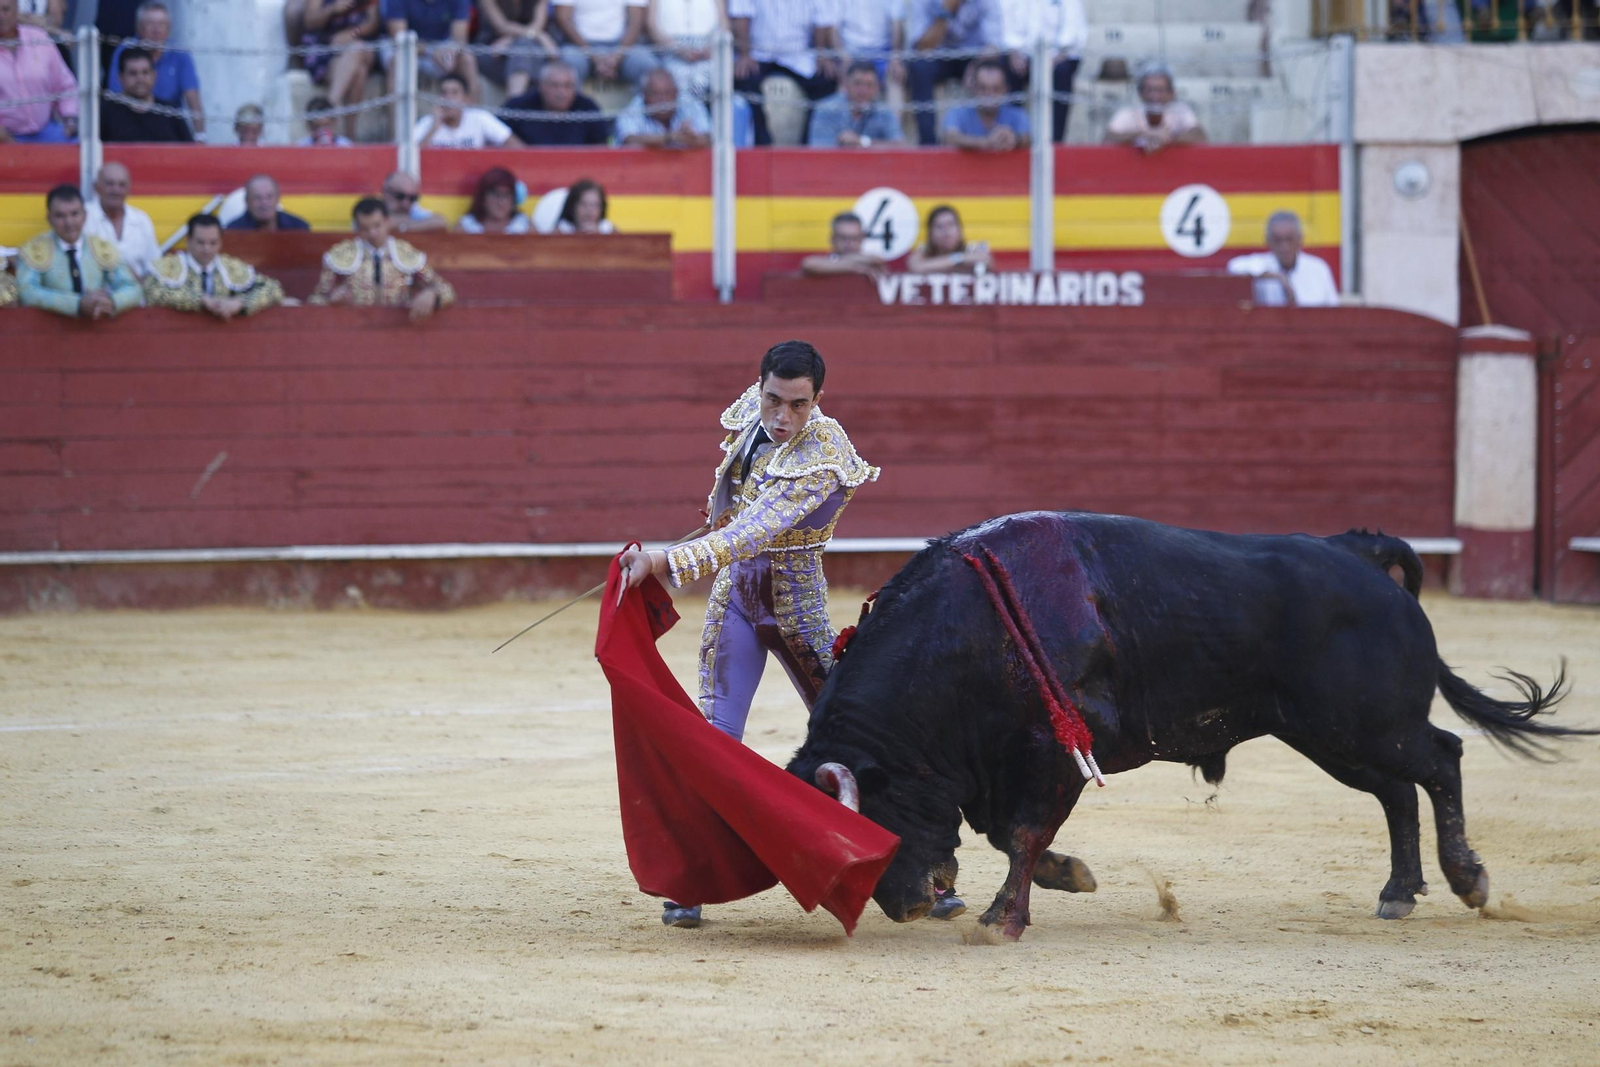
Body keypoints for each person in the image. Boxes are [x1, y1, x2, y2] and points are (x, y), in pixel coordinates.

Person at [616, 340, 879, 929]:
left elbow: (753, 533)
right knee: (715, 740)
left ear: (818, 401)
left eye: (798, 405)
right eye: (773, 400)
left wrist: (666, 559)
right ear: (759, 386)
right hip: (737, 599)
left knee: (852, 735)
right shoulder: (750, 420)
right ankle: (693, 880)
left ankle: (926, 867)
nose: (783, 417)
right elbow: (729, 515)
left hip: (796, 607)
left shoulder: (825, 453)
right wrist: (693, 536)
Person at [310, 197, 455, 320]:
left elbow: (446, 290)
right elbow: (315, 301)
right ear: (356, 227)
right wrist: (331, 301)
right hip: (353, 331)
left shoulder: (406, 253)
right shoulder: (339, 256)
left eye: (377, 225)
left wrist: (432, 294)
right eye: (364, 228)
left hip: (399, 330)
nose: (372, 233)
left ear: (388, 221)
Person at [16, 184, 143, 320]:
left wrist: (111, 302)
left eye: (74, 214)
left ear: (84, 215)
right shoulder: (35, 250)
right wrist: (76, 304)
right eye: (60, 216)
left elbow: (133, 288)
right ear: (49, 218)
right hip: (49, 334)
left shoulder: (102, 248)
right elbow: (26, 292)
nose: (69, 222)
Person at [729, 0, 839, 145]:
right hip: (759, 53)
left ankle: (809, 145)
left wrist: (820, 54)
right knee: (743, 78)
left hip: (798, 54)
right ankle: (761, 145)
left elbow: (822, 19)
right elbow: (741, 14)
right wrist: (744, 53)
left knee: (826, 78)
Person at [143, 213, 286, 319]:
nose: (207, 249)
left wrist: (240, 303)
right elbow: (151, 291)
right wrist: (201, 300)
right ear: (188, 241)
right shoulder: (170, 266)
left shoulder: (231, 267)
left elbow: (274, 289)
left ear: (221, 243)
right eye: (201, 242)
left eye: (213, 243)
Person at [905, 0, 1001, 146]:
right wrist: (945, 11)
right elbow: (921, 47)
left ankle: (1001, 136)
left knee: (999, 68)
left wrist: (976, 67)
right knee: (918, 67)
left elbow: (994, 44)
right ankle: (928, 144)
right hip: (938, 55)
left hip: (975, 57)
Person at [107, 1, 205, 137]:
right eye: (150, 23)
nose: (156, 30)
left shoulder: (180, 54)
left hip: (168, 122)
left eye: (162, 24)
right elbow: (116, 97)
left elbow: (193, 99)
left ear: (169, 29)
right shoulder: (125, 51)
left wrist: (200, 136)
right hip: (129, 121)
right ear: (139, 28)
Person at [999, 0, 1083, 144]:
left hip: (1059, 55)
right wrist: (1014, 50)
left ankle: (1056, 141)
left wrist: (1057, 55)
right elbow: (1004, 24)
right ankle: (1012, 137)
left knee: (1061, 73)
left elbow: (1072, 29)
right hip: (1022, 53)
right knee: (1008, 70)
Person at [300, 0, 380, 142]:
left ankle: (327, 110)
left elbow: (373, 22)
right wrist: (332, 9)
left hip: (359, 44)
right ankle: (349, 137)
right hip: (325, 47)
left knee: (357, 49)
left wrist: (353, 34)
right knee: (359, 72)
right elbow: (310, 21)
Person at [0, 0, 78, 144]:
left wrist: (70, 117)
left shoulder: (38, 38)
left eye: (6, 10)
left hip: (47, 132)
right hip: (6, 138)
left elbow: (65, 84)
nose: (1, 16)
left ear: (17, 10)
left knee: (80, 151)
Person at [1227, 210, 1340, 308]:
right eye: (1278, 240)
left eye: (1289, 239)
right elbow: (1234, 267)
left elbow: (1334, 311)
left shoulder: (1318, 268)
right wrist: (1278, 277)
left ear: (1300, 239)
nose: (1284, 247)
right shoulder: (1262, 263)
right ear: (1268, 241)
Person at [383, 0, 479, 102]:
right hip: (405, 48)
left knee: (467, 60)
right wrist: (430, 52)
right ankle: (397, 117)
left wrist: (451, 53)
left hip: (442, 44)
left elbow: (460, 39)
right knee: (398, 62)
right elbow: (400, 38)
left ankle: (474, 115)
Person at [500, 59, 611, 145]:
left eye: (567, 86)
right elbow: (497, 135)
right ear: (542, 86)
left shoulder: (588, 108)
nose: (561, 92)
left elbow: (601, 145)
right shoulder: (519, 107)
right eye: (554, 86)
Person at [1105, 61, 1205, 153]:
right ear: (1141, 93)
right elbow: (1107, 139)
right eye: (1149, 90)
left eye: (1160, 90)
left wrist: (1167, 137)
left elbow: (1199, 136)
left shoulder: (1181, 110)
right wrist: (1142, 134)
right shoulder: (1128, 113)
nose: (1154, 96)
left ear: (1172, 93)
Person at [83, 163, 160, 280]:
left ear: (129, 189)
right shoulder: (82, 217)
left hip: (137, 294)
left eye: (122, 185)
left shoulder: (141, 220)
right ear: (96, 187)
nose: (116, 190)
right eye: (109, 184)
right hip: (95, 295)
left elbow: (154, 266)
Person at [551, 0, 657, 85]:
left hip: (621, 46)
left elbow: (636, 22)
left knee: (648, 66)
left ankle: (639, 111)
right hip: (579, 46)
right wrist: (593, 56)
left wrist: (616, 57)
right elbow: (563, 19)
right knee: (568, 65)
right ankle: (576, 111)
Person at [101, 46, 194, 143]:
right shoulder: (105, 112)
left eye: (145, 72)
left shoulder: (170, 112)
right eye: (133, 73)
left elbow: (189, 153)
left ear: (154, 75)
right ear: (121, 78)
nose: (140, 79)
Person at [806, 60, 902, 148]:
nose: (863, 90)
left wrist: (862, 142)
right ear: (846, 85)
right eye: (857, 83)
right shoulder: (827, 109)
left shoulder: (884, 112)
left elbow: (899, 147)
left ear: (877, 88)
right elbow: (819, 149)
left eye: (869, 85)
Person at [942, 57, 1028, 151]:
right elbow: (950, 137)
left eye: (996, 89)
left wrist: (1014, 139)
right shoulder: (957, 113)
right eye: (983, 88)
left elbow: (1029, 138)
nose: (989, 94)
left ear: (1006, 90)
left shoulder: (1017, 114)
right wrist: (986, 142)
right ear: (973, 88)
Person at [415, 72, 522, 147]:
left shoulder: (480, 118)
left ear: (466, 99)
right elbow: (410, 159)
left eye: (454, 93)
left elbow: (513, 144)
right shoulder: (427, 123)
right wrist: (434, 128)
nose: (448, 98)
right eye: (443, 93)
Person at [476, 0, 557, 98]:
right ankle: (515, 105)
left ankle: (514, 105)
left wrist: (511, 39)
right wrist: (540, 36)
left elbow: (538, 24)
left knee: (523, 47)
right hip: (492, 52)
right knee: (523, 50)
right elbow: (501, 27)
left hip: (529, 50)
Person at [647, 0, 726, 99]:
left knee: (704, 78)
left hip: (707, 49)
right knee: (677, 79)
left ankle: (699, 111)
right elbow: (652, 27)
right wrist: (677, 48)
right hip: (671, 48)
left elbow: (724, 26)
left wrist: (710, 47)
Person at [615, 68, 710, 148]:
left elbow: (708, 138)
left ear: (676, 93)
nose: (662, 99)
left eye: (667, 93)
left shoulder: (691, 104)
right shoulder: (632, 109)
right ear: (644, 95)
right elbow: (629, 141)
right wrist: (670, 137)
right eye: (655, 94)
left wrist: (691, 138)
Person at [906, 202, 991, 273]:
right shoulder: (924, 250)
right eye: (939, 226)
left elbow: (986, 260)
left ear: (960, 230)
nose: (946, 233)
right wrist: (959, 259)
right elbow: (916, 267)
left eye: (951, 225)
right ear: (930, 233)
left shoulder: (972, 248)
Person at [800, 211, 886, 279]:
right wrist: (853, 267)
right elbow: (809, 264)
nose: (849, 243)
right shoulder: (822, 262)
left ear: (861, 239)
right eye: (843, 238)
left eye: (854, 238)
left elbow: (876, 260)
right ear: (833, 239)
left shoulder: (871, 261)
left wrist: (839, 263)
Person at [455, 167, 532, 233]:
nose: (502, 202)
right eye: (496, 195)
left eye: (507, 195)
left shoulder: (525, 228)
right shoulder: (466, 228)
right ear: (483, 197)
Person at [226, 175, 312, 232]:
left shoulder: (298, 227)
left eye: (269, 197)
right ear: (247, 201)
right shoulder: (233, 230)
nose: (264, 203)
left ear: (277, 199)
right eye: (257, 198)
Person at [381, 169, 447, 232]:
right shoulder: (375, 209)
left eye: (412, 198)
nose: (406, 203)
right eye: (400, 196)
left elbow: (440, 222)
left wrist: (402, 227)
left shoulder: (414, 211)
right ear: (386, 193)